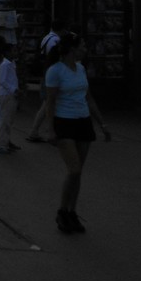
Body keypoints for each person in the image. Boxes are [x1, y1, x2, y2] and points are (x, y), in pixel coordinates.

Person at [43, 33, 111, 233]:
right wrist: (51, 129)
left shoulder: (80, 69)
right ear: (72, 49)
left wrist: (102, 124)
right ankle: (62, 210)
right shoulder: (55, 71)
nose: (85, 49)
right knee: (73, 169)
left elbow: (88, 98)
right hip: (64, 122)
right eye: (82, 45)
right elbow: (50, 102)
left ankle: (72, 211)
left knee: (78, 171)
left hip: (83, 121)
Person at [26, 19, 64, 142]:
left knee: (48, 103)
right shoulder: (55, 41)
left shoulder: (46, 38)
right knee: (48, 103)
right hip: (51, 75)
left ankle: (38, 130)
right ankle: (44, 131)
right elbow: (55, 57)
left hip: (46, 73)